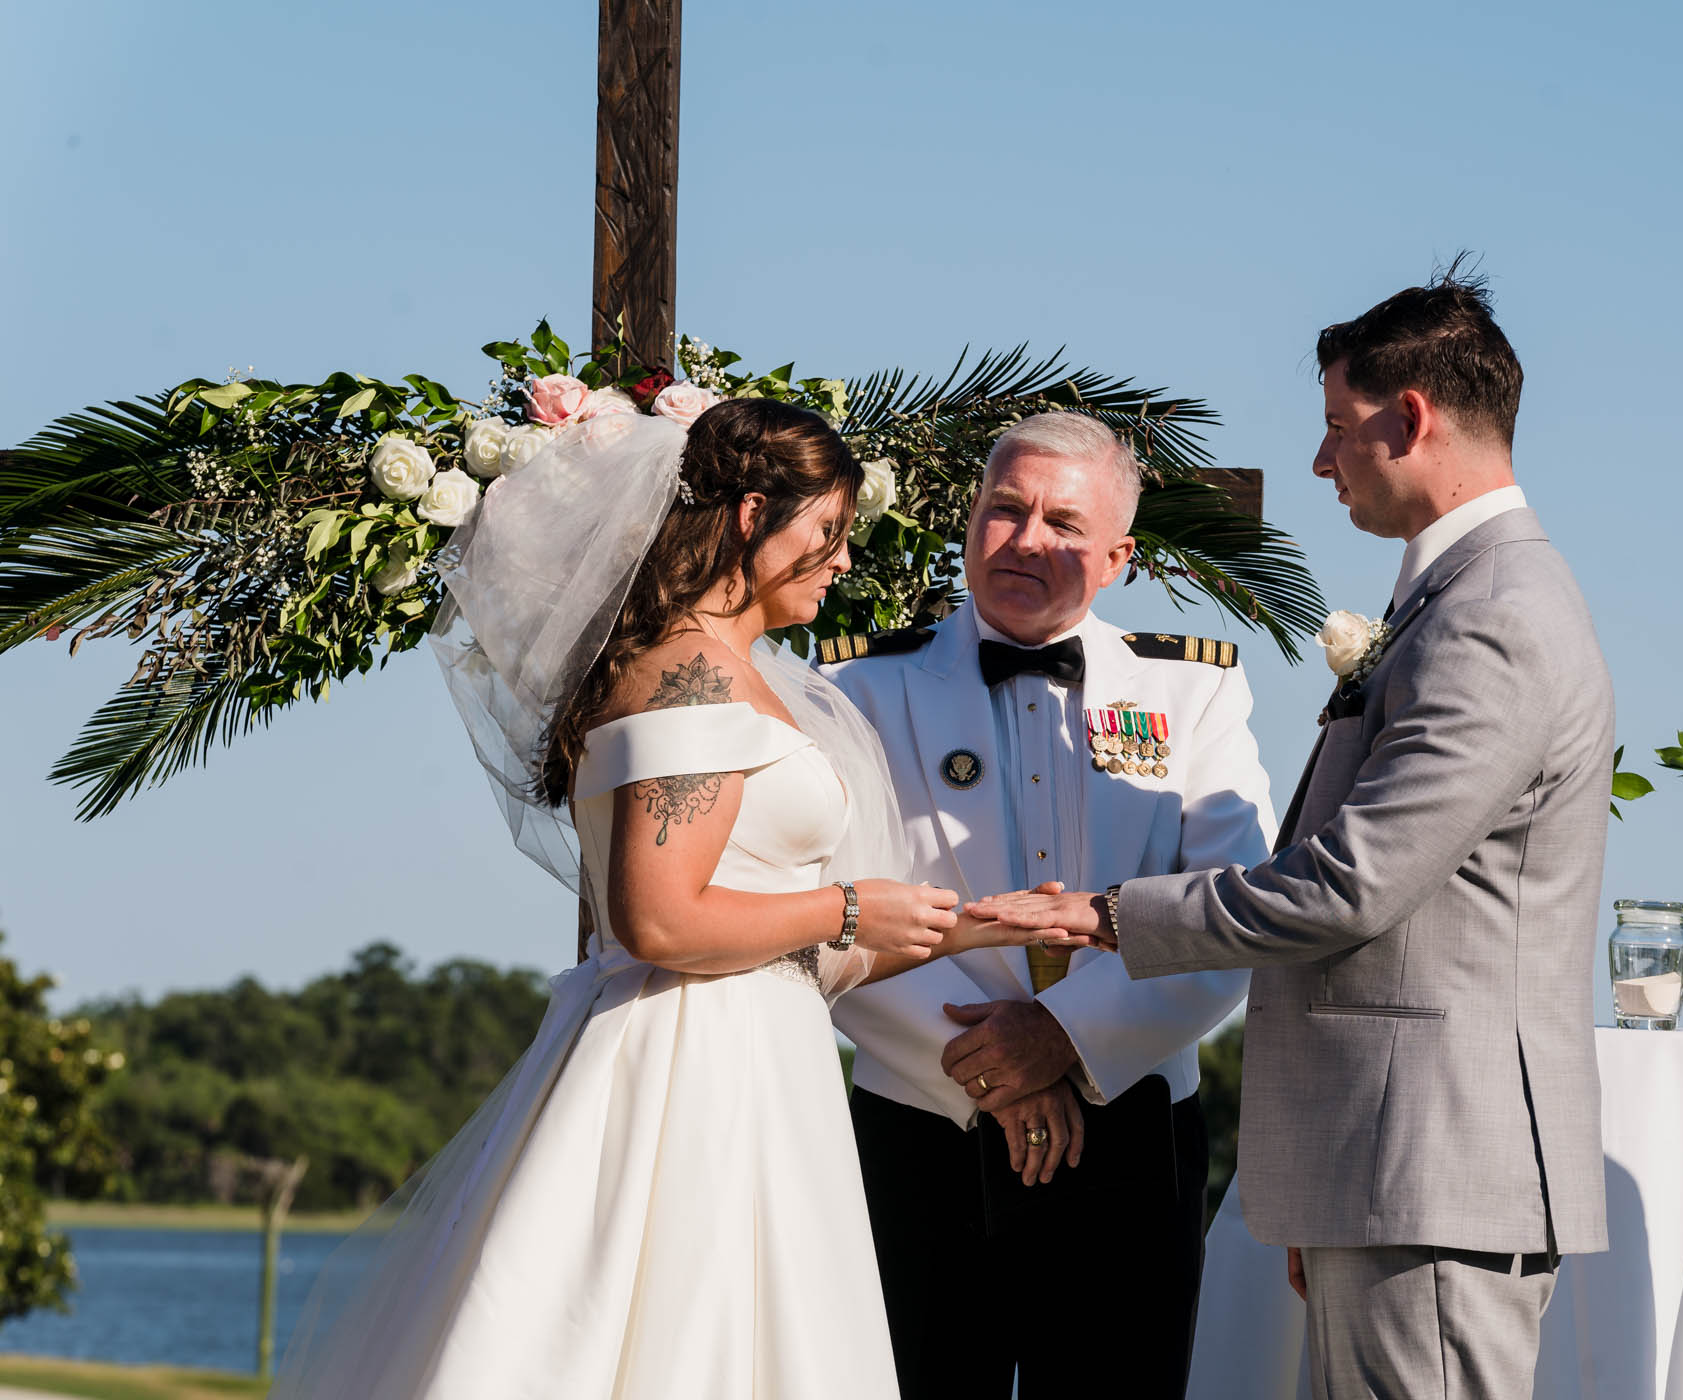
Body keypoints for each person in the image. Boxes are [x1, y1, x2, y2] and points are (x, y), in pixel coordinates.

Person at [271, 399, 1043, 1399]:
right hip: (686, 1066)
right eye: (827, 533)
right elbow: (658, 918)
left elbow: (783, 940)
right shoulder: (686, 676)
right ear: (753, 514)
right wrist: (847, 907)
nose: (843, 560)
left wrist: (971, 923)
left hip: (763, 1053)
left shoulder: (746, 674)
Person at [971, 272, 1614, 1400]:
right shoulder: (1455, 598)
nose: (1322, 463)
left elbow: (1352, 883)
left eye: (1335, 428)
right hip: (1386, 1166)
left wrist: (1106, 913)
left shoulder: (1494, 613)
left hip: (1434, 1163)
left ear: (1409, 417)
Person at [819, 411, 1276, 1398]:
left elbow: (1228, 913)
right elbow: (832, 913)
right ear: (971, 519)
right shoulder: (856, 685)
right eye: (1005, 509)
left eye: (1063, 523)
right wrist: (996, 1069)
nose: (1027, 539)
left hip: (1131, 1127)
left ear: (1117, 555)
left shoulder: (1193, 692)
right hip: (920, 1126)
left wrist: (1064, 1037)